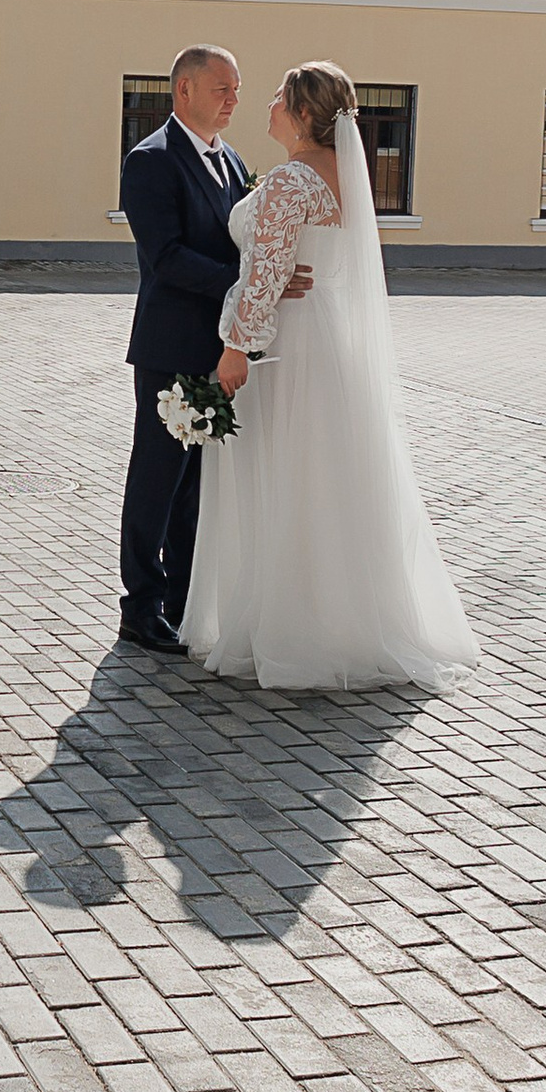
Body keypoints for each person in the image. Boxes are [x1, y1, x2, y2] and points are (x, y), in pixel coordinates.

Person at [181, 56, 479, 693]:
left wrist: (235, 350)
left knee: (286, 477)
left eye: (276, 96)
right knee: (326, 479)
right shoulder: (345, 174)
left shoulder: (292, 181)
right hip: (331, 344)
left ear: (299, 114)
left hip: (289, 348)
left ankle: (291, 627)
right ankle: (345, 620)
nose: (265, 105)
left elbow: (264, 278)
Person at [115, 43, 308, 653]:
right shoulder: (150, 161)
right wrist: (246, 283)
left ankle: (183, 601)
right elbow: (165, 257)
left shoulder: (233, 160)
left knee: (197, 484)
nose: (233, 100)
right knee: (158, 476)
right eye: (222, 88)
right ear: (185, 90)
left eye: (238, 89)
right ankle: (139, 606)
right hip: (171, 345)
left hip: (222, 346)